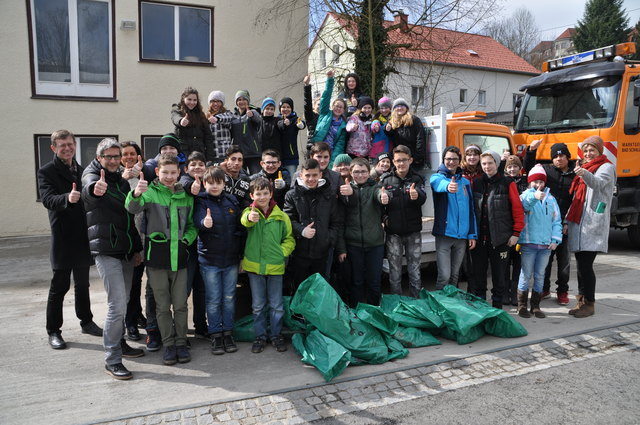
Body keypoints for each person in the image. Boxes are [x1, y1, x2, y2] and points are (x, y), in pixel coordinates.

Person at [126, 154, 198, 366]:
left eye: (173, 172)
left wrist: (186, 240)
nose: (169, 176)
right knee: (163, 306)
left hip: (180, 258)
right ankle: (168, 344)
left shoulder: (186, 195)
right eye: (165, 172)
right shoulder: (150, 193)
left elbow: (193, 225)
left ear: (179, 173)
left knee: (181, 305)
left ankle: (181, 342)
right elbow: (132, 207)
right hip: (156, 259)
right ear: (157, 172)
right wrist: (135, 194)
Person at [81, 138, 144, 380]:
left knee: (124, 302)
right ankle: (112, 359)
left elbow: (130, 218)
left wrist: (136, 248)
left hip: (126, 249)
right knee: (116, 305)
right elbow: (89, 190)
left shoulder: (121, 180)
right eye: (108, 157)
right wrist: (92, 191)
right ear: (99, 158)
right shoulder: (93, 175)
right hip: (106, 250)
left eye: (116, 157)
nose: (113, 160)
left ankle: (120, 345)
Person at [37, 130, 102, 350]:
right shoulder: (46, 171)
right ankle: (53, 331)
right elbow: (47, 199)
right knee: (59, 286)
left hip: (83, 236)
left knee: (83, 284)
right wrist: (67, 197)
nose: (67, 148)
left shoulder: (83, 171)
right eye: (62, 145)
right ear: (53, 148)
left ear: (75, 146)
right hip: (63, 236)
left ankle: (86, 321)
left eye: (70, 144)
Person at [241, 177, 295, 353]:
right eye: (258, 194)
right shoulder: (249, 212)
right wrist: (250, 217)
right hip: (255, 267)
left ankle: (276, 335)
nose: (262, 197)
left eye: (265, 193)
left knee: (276, 305)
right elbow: (244, 221)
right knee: (258, 305)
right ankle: (260, 336)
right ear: (252, 195)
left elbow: (289, 239)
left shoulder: (281, 216)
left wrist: (282, 252)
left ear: (271, 194)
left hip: (275, 266)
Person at [193, 166, 243, 355]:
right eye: (210, 183)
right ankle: (215, 334)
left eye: (218, 182)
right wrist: (203, 224)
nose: (214, 186)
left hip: (230, 259)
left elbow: (240, 227)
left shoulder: (232, 200)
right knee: (213, 299)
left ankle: (228, 332)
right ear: (205, 184)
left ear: (224, 183)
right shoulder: (201, 201)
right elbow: (197, 221)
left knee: (229, 298)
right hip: (209, 260)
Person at [566, 136, 615, 318]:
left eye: (592, 150)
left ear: (599, 151)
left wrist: (583, 173)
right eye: (586, 150)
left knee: (586, 266)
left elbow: (599, 184)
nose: (588, 154)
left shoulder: (606, 167)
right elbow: (577, 198)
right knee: (580, 265)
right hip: (579, 224)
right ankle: (581, 301)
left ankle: (590, 303)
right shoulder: (585, 168)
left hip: (593, 224)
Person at [524, 139, 576, 305]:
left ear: (568, 157)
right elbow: (529, 169)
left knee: (564, 261)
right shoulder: (548, 171)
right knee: (546, 260)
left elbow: (577, 200)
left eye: (562, 156)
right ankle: (544, 289)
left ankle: (562, 291)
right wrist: (531, 150)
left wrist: (567, 221)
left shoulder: (575, 174)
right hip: (547, 224)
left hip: (565, 224)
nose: (558, 159)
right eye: (555, 156)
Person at [471, 150, 524, 308]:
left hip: (501, 238)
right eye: (484, 163)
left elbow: (517, 210)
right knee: (479, 275)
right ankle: (481, 306)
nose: (487, 166)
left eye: (490, 163)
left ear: (497, 163)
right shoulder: (477, 183)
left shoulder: (508, 183)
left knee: (499, 276)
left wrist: (516, 233)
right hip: (480, 238)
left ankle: (497, 306)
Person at [284, 158, 340, 288]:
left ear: (320, 175)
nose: (311, 179)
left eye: (314, 175)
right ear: (301, 175)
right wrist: (301, 230)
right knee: (300, 289)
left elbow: (336, 222)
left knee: (319, 288)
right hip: (299, 251)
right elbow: (288, 219)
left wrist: (327, 239)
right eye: (307, 175)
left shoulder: (329, 195)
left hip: (322, 252)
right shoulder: (291, 195)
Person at [379, 145, 427, 297]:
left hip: (413, 232)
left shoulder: (417, 179)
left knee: (414, 271)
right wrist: (385, 219)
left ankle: (417, 304)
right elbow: (379, 204)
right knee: (395, 273)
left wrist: (416, 195)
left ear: (410, 160)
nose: (401, 163)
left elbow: (422, 196)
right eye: (398, 160)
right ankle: (396, 304)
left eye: (404, 160)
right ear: (393, 161)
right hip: (393, 234)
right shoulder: (385, 180)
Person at [516, 164, 563, 319]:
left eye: (541, 182)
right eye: (535, 182)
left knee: (540, 275)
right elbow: (524, 206)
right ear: (530, 182)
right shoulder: (525, 195)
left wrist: (556, 239)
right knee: (526, 274)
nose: (538, 185)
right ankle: (522, 305)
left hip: (546, 246)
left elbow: (556, 221)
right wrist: (533, 197)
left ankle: (535, 306)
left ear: (545, 183)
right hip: (529, 244)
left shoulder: (551, 199)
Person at [430, 146, 477, 290]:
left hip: (462, 237)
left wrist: (472, 234)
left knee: (455, 276)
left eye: (454, 159)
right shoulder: (437, 177)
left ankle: (452, 306)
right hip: (445, 234)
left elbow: (471, 211)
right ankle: (439, 304)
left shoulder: (465, 183)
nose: (451, 162)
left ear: (459, 161)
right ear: (444, 160)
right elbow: (438, 184)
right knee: (444, 275)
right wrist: (448, 186)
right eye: (448, 159)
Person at [340, 158, 385, 306]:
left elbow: (380, 195)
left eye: (363, 171)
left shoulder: (375, 187)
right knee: (356, 282)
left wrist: (384, 197)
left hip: (375, 243)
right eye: (356, 172)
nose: (360, 175)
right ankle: (356, 313)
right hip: (353, 244)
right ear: (351, 173)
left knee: (374, 282)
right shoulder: (346, 188)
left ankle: (374, 312)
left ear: (369, 172)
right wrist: (346, 194)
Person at [178, 152, 209, 340]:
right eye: (193, 164)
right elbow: (184, 185)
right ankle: (179, 329)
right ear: (186, 168)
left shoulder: (208, 184)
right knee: (185, 288)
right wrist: (192, 186)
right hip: (188, 246)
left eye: (201, 164)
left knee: (201, 289)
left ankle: (200, 325)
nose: (197, 167)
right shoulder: (183, 182)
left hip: (205, 247)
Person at [119, 141, 146, 341]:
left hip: (146, 238)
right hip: (129, 240)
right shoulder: (117, 178)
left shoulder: (145, 176)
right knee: (131, 283)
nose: (129, 157)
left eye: (132, 153)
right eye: (125, 154)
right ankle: (130, 322)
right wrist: (123, 178)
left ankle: (138, 314)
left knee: (140, 282)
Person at [503, 155, 528, 306]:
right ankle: (505, 291)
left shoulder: (525, 183)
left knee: (518, 263)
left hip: (522, 229)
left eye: (515, 166)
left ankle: (515, 292)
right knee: (505, 264)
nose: (512, 169)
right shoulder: (503, 182)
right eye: (509, 167)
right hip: (506, 228)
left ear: (520, 168)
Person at [309, 70, 347, 166]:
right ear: (332, 106)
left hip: (330, 154)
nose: (338, 109)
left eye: (341, 107)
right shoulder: (325, 113)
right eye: (336, 106)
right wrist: (330, 80)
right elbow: (325, 97)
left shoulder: (343, 125)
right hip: (317, 148)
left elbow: (339, 145)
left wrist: (332, 162)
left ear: (343, 110)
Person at [459, 144, 483, 292]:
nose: (472, 157)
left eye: (475, 154)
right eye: (469, 154)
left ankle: (473, 291)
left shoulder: (483, 173)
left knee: (476, 260)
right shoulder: (460, 173)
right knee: (463, 260)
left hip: (480, 217)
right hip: (464, 216)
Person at [171, 87, 215, 161]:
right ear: (183, 99)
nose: (192, 102)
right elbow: (175, 117)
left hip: (199, 154)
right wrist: (181, 121)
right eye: (189, 99)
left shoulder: (201, 115)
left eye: (195, 100)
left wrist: (209, 159)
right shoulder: (177, 109)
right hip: (183, 154)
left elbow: (208, 138)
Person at [384, 98, 426, 169]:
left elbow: (421, 139)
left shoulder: (414, 120)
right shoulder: (392, 122)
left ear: (406, 108)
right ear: (394, 109)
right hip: (399, 158)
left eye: (402, 106)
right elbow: (392, 138)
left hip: (413, 158)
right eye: (397, 106)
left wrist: (417, 157)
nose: (399, 108)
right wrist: (388, 130)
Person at [231, 89, 262, 174]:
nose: (242, 102)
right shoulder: (233, 116)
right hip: (239, 154)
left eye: (244, 99)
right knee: (242, 179)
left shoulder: (253, 112)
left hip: (253, 153)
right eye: (239, 100)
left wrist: (252, 116)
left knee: (257, 179)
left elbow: (259, 120)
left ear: (248, 101)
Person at [278, 97, 306, 176]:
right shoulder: (277, 120)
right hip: (278, 157)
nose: (286, 109)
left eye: (288, 107)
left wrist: (301, 125)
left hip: (291, 157)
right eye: (283, 107)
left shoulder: (294, 119)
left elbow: (301, 123)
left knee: (291, 180)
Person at [206, 90, 234, 164]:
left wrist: (217, 119)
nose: (215, 104)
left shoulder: (227, 114)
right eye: (213, 101)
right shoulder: (206, 117)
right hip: (211, 155)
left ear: (222, 103)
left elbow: (228, 118)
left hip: (225, 154)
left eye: (218, 101)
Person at [303, 74, 320, 142]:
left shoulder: (327, 117)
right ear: (314, 106)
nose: (320, 106)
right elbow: (307, 103)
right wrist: (307, 86)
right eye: (318, 104)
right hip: (313, 145)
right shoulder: (311, 115)